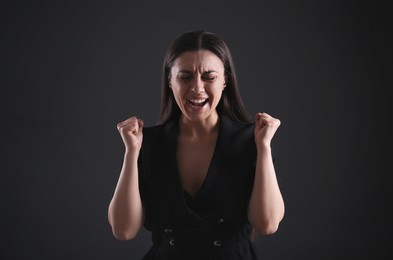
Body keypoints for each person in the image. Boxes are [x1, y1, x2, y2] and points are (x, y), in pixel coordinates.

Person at [108, 30, 285, 260]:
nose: (197, 88)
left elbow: (268, 224)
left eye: (209, 77)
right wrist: (131, 153)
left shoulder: (251, 140)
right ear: (170, 81)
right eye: (185, 76)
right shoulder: (146, 143)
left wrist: (264, 148)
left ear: (225, 81)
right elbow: (123, 230)